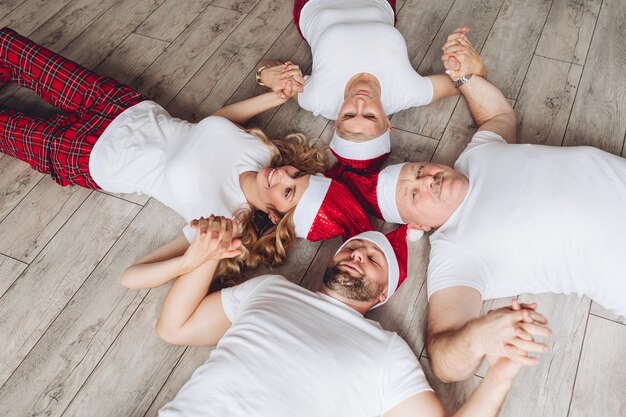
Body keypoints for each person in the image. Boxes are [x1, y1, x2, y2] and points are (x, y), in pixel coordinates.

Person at [341, 27, 626, 383]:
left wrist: (464, 76)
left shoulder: (474, 156)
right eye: (415, 195)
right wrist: (479, 335)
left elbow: (498, 117)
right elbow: (444, 363)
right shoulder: (454, 252)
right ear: (418, 226)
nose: (427, 180)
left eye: (417, 171)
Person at [0, 27, 372, 288]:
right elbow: (219, 121)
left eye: (288, 192)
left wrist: (191, 261)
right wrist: (277, 92)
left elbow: (132, 276)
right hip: (121, 105)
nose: (282, 176)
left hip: (89, 155)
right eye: (296, 174)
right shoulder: (262, 151)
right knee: (9, 46)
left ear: (274, 216)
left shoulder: (227, 221)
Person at [150, 215, 538, 417]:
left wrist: (500, 376)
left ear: (384, 293)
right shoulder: (270, 288)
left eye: (373, 260)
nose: (357, 256)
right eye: (352, 249)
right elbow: (174, 328)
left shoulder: (388, 352)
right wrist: (208, 253)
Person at [256, 2, 486, 174]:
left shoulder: (317, 98)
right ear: (387, 123)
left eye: (349, 115)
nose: (359, 102)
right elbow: (467, 82)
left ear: (336, 122)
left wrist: (270, 75)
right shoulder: (407, 92)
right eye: (369, 115)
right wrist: (472, 64)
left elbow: (266, 68)